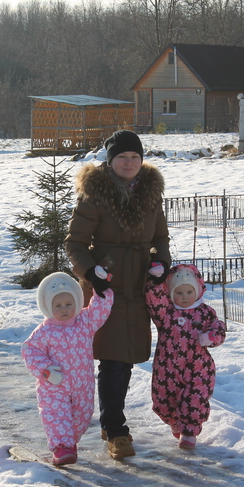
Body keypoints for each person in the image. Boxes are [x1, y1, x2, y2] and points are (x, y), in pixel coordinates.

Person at [64, 129, 171, 460]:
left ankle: (112, 422)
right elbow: (75, 244)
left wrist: (160, 263)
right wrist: (91, 273)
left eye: (134, 157)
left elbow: (161, 239)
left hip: (138, 285)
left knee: (125, 360)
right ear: (110, 161)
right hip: (106, 286)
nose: (129, 162)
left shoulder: (150, 194)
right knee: (112, 359)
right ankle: (115, 429)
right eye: (122, 157)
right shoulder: (95, 194)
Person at [21, 271, 114, 466]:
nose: (64, 309)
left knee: (81, 417)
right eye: (58, 305)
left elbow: (100, 308)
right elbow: (30, 350)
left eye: (69, 304)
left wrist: (102, 288)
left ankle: (70, 442)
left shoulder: (84, 322)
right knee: (57, 416)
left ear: (77, 302)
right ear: (48, 306)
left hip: (83, 385)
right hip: (55, 385)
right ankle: (62, 447)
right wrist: (45, 370)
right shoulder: (45, 331)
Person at [145, 263, 226, 449]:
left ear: (197, 291)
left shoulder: (205, 312)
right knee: (163, 400)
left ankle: (189, 432)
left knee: (194, 399)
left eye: (189, 292)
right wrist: (156, 281)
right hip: (167, 367)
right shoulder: (166, 313)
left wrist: (212, 336)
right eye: (179, 293)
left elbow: (218, 326)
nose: (184, 297)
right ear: (172, 293)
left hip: (198, 367)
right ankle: (174, 421)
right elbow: (154, 300)